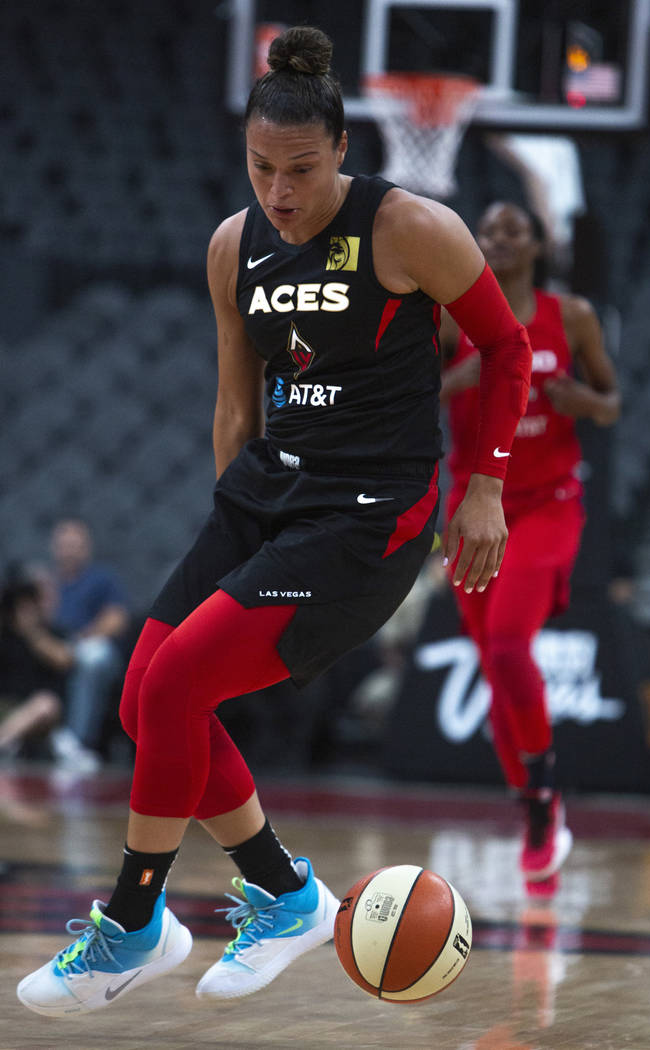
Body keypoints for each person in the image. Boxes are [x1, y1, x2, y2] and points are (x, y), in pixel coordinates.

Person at [17, 27, 532, 1017]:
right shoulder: (230, 245)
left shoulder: (409, 227)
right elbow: (235, 402)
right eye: (261, 168)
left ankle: (132, 923)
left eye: (299, 169)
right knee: (143, 703)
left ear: (341, 149)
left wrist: (485, 486)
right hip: (265, 498)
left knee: (172, 689)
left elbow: (506, 352)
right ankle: (288, 896)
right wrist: (230, 518)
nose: (279, 191)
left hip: (366, 518)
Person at [440, 200, 621, 896]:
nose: (500, 238)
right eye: (488, 230)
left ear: (539, 244)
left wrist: (586, 401)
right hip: (471, 506)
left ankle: (544, 791)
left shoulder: (570, 315)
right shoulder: (452, 316)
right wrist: (455, 382)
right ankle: (536, 812)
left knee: (511, 645)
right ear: (474, 243)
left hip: (547, 506)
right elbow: (408, 395)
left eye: (514, 229)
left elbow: (612, 402)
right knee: (494, 669)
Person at [48, 517, 131, 766]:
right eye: (65, 544)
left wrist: (81, 641)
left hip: (95, 650)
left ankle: (77, 742)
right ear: (55, 547)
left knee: (91, 656)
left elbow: (117, 619)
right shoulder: (47, 584)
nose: (70, 550)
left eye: (76, 544)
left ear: (86, 548)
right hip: (56, 650)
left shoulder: (101, 580)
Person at [0, 567, 74, 760]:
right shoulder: (6, 633)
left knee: (46, 704)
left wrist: (31, 631)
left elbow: (64, 660)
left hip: (37, 712)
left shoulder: (54, 632)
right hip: (6, 705)